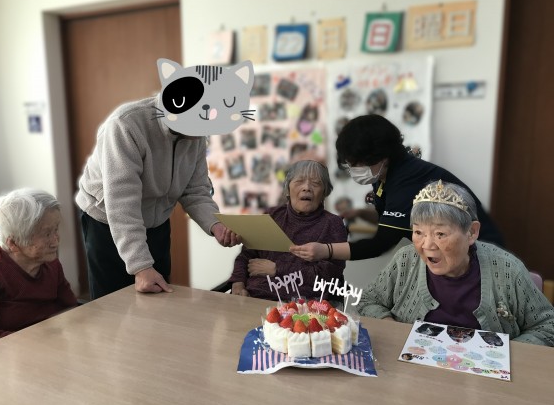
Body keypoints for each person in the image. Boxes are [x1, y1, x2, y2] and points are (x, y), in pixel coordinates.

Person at [76, 95, 241, 299]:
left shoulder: (196, 134)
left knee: (158, 295)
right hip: (107, 222)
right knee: (112, 302)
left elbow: (195, 190)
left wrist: (216, 224)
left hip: (156, 221)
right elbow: (122, 205)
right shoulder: (126, 125)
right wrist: (141, 266)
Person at [356, 180, 554, 346]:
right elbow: (369, 301)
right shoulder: (405, 260)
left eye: (440, 234)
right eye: (418, 232)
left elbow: (547, 326)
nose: (427, 245)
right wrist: (393, 328)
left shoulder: (507, 269)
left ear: (472, 232)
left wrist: (505, 353)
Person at [290, 114, 505, 262]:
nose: (354, 169)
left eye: (358, 163)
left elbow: (381, 243)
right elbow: (396, 220)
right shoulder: (383, 173)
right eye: (350, 163)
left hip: (479, 254)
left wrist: (325, 251)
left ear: (382, 156)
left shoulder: (408, 179)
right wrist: (362, 214)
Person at [0, 188, 78, 350]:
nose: (56, 241)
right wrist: (40, 341)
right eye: (47, 234)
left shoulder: (50, 263)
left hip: (44, 346)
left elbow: (70, 309)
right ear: (13, 243)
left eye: (56, 229)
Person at [229, 160, 348, 301]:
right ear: (288, 189)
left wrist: (278, 269)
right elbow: (246, 256)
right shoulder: (272, 215)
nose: (307, 188)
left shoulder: (333, 224)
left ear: (324, 192)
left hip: (304, 305)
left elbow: (329, 274)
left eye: (315, 183)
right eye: (299, 182)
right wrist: (238, 284)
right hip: (254, 298)